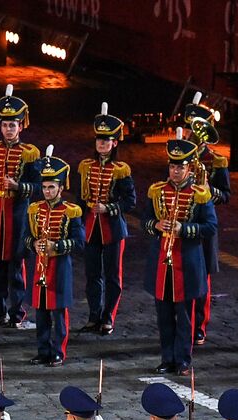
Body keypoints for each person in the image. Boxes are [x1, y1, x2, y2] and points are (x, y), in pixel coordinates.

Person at [140, 132, 217, 376]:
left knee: (184, 316)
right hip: (163, 261)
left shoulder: (199, 194)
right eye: (173, 166)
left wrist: (184, 228)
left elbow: (210, 226)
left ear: (189, 168)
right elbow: (145, 220)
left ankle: (183, 359)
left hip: (188, 261)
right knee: (163, 315)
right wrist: (155, 226)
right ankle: (167, 358)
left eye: (180, 167)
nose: (175, 171)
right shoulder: (157, 191)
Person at [0, 84, 41, 328]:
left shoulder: (30, 153)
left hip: (18, 213)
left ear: (21, 126)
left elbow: (38, 187)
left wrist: (18, 186)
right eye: (5, 125)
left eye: (12, 125)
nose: (8, 129)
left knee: (16, 264)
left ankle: (17, 311)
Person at [76, 103, 135, 335]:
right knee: (92, 274)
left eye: (107, 140)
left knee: (112, 276)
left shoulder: (121, 169)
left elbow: (130, 201)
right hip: (91, 227)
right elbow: (81, 199)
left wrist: (109, 207)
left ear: (115, 142)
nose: (102, 143)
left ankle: (108, 316)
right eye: (99, 139)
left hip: (112, 228)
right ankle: (93, 315)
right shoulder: (86, 166)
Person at [23, 147, 85, 366]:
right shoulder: (34, 209)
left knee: (58, 311)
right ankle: (43, 349)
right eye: (45, 187)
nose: (47, 191)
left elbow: (79, 241)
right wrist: (35, 244)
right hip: (40, 264)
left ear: (60, 188)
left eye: (51, 187)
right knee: (40, 311)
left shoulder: (72, 211)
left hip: (59, 266)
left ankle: (58, 350)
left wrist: (55, 246)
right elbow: (26, 237)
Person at [181, 93, 231, 345]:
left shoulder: (216, 160)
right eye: (190, 128)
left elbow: (226, 195)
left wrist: (210, 190)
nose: (192, 134)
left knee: (203, 277)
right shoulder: (180, 156)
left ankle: (199, 324)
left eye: (197, 129)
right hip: (180, 222)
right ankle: (182, 321)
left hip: (203, 223)